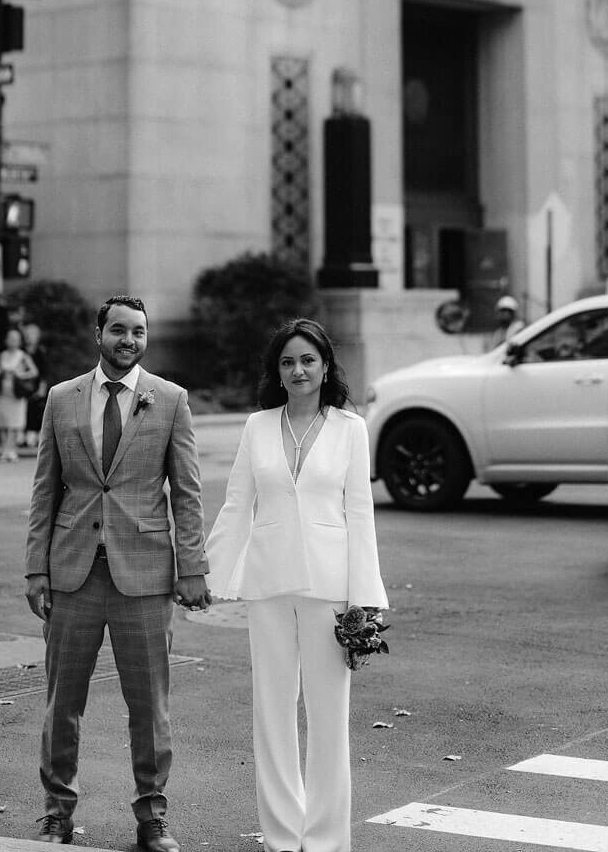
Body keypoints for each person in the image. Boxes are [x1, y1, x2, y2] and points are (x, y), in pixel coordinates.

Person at [24, 295, 210, 850]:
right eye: (119, 331)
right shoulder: (62, 399)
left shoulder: (170, 400)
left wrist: (192, 567)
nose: (129, 340)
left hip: (146, 577)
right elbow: (44, 490)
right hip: (72, 573)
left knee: (150, 706)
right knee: (63, 704)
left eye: (139, 332)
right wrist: (36, 569)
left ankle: (152, 817)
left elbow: (188, 492)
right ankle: (58, 812)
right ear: (98, 333)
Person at [206, 317, 388, 852]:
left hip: (331, 589)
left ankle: (328, 840)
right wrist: (205, 574)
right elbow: (237, 504)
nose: (298, 369)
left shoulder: (350, 429)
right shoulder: (257, 426)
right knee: (272, 711)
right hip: (268, 584)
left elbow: (361, 512)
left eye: (308, 359)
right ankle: (284, 838)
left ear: (325, 366)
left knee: (330, 718)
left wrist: (366, 597)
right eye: (288, 361)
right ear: (277, 372)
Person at [0, 325, 39, 462]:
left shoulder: (23, 356)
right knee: (3, 422)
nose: (13, 341)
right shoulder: (1, 355)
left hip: (17, 394)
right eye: (10, 338)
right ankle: (5, 449)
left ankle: (12, 450)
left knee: (14, 423)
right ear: (6, 340)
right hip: (3, 393)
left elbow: (34, 372)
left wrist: (20, 374)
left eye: (15, 338)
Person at [20, 320, 49, 449]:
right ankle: (21, 437)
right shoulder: (21, 351)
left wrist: (42, 388)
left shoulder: (40, 352)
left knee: (36, 411)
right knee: (23, 411)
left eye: (33, 334)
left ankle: (33, 438)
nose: (30, 337)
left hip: (36, 386)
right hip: (22, 386)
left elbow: (44, 372)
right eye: (28, 334)